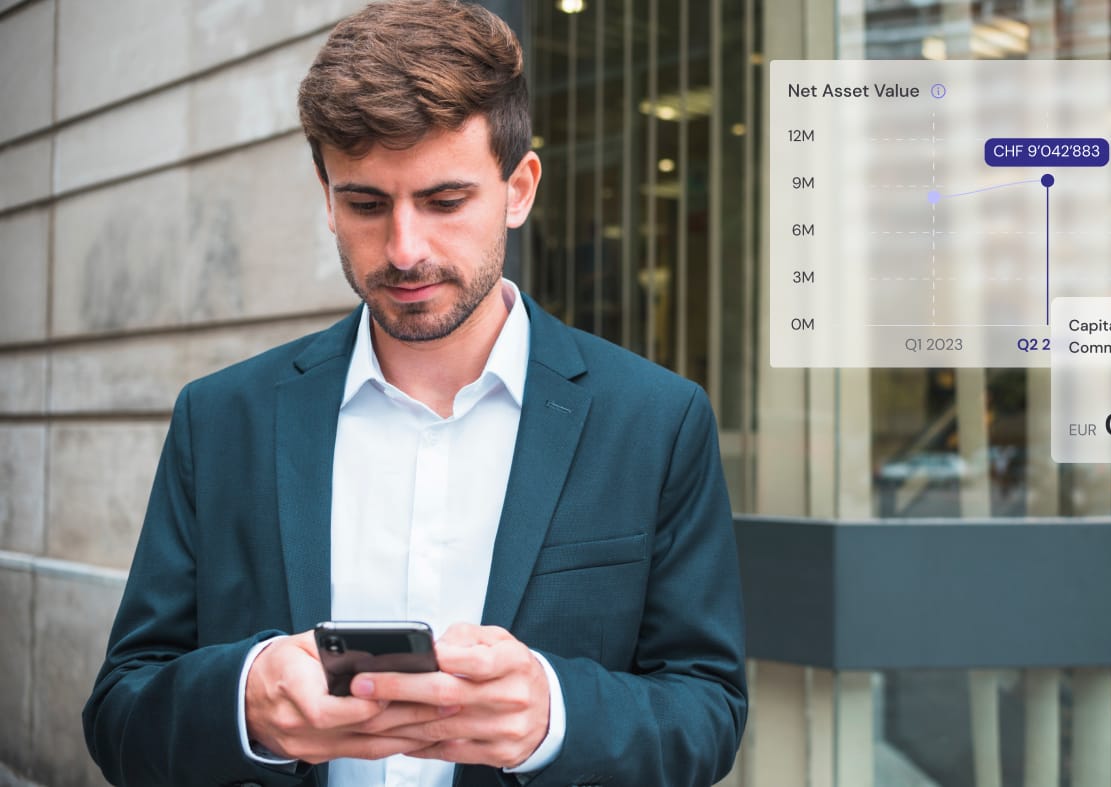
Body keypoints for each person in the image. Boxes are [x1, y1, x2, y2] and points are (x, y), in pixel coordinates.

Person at [80, 1, 747, 784]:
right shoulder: (222, 417)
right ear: (327, 197)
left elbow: (707, 709)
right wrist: (244, 699)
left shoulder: (655, 420)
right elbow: (119, 712)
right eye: (366, 203)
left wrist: (554, 716)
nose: (404, 249)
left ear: (520, 187)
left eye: (444, 200)